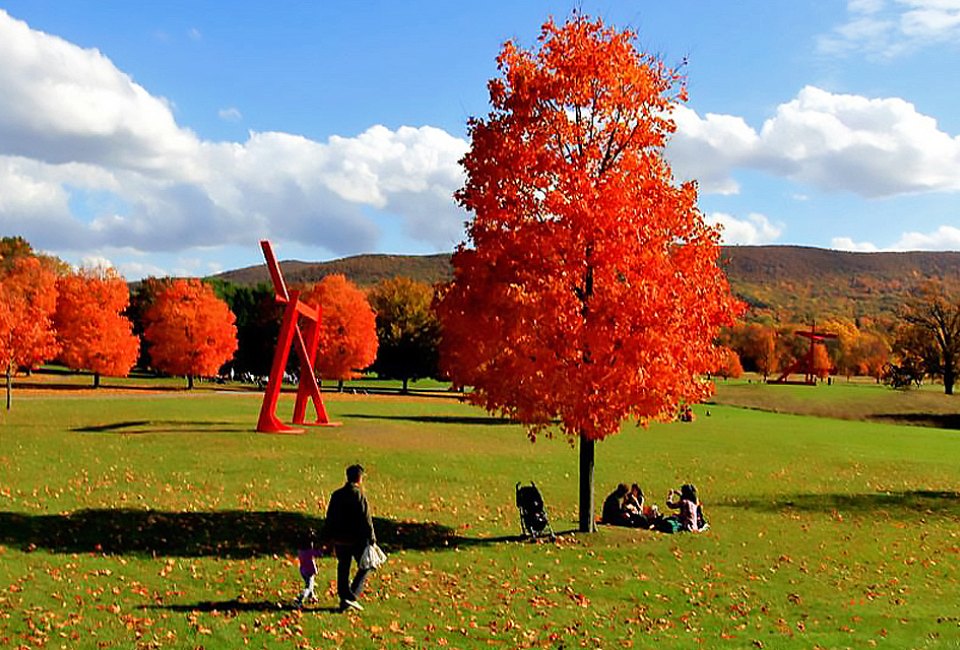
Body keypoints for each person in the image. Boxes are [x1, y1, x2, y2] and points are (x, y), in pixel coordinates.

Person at [323, 463, 376, 612]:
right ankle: (351, 596)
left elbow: (330, 518)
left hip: (340, 539)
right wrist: (371, 538)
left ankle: (344, 597)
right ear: (359, 478)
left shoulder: (337, 495)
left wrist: (328, 537)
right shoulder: (359, 495)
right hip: (356, 539)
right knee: (366, 565)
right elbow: (366, 518)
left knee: (343, 568)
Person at [293, 529, 323, 609]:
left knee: (310, 585)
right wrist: (320, 548)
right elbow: (319, 554)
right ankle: (299, 599)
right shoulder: (310, 551)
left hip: (303, 570)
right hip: (309, 571)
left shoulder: (301, 551)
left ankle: (312, 597)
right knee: (308, 588)